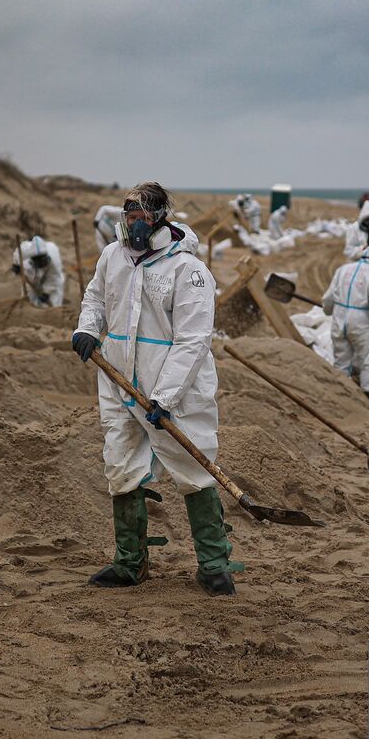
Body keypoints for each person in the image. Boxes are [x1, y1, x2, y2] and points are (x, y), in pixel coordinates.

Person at [70, 182, 240, 596]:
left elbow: (193, 341)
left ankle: (214, 565)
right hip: (118, 378)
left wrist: (166, 396)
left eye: (143, 217)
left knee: (193, 467)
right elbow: (95, 298)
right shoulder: (112, 257)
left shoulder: (189, 271)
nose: (135, 225)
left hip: (174, 386)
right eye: (130, 216)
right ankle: (131, 562)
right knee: (121, 465)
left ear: (160, 218)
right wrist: (87, 329)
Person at [322, 244, 369, 401]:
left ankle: (340, 396)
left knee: (341, 361)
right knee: (368, 360)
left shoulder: (343, 269)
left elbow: (328, 298)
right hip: (359, 322)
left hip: (339, 319)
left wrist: (328, 311)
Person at [12, 234, 65, 307]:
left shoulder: (54, 259)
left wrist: (46, 293)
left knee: (54, 302)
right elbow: (17, 255)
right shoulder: (24, 250)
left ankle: (55, 309)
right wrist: (16, 265)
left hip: (52, 279)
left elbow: (53, 277)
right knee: (29, 303)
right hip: (32, 276)